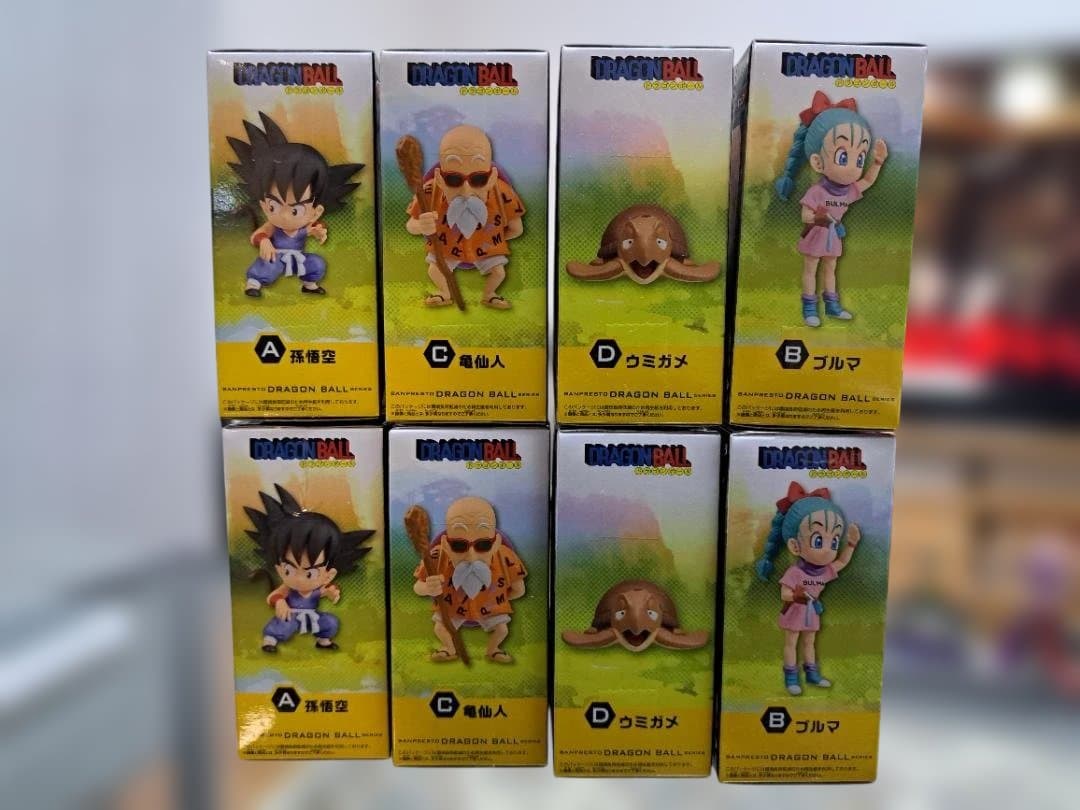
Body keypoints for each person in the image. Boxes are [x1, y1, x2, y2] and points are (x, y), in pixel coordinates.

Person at [775, 92, 888, 326]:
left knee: (830, 269)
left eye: (859, 158)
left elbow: (867, 181)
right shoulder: (817, 191)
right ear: (818, 162)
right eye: (843, 156)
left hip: (833, 237)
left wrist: (877, 162)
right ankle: (809, 308)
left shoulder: (847, 191)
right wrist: (819, 218)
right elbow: (805, 215)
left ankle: (833, 306)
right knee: (810, 269)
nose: (854, 167)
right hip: (816, 236)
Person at [228, 112, 363, 297]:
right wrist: (264, 241)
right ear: (264, 205)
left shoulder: (306, 224)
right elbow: (257, 236)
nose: (284, 216)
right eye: (274, 206)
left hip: (297, 259)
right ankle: (253, 283)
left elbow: (316, 227)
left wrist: (319, 230)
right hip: (275, 256)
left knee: (316, 263)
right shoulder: (273, 226)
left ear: (316, 212)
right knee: (268, 265)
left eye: (295, 210)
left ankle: (309, 284)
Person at [755, 482, 862, 695]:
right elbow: (785, 593)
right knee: (791, 642)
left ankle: (812, 674)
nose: (828, 550)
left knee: (810, 642)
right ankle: (791, 677)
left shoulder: (823, 571)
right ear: (795, 546)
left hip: (812, 612)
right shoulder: (795, 572)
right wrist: (796, 596)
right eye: (819, 540)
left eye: (834, 542)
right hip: (795, 612)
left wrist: (851, 544)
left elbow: (841, 563)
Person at [405, 125, 525, 309]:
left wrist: (495, 239)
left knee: (499, 273)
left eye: (478, 179)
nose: (466, 191)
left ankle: (489, 294)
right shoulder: (430, 190)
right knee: (434, 270)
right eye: (454, 180)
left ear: (492, 176)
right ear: (440, 176)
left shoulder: (502, 192)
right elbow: (410, 225)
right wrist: (421, 226)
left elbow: (517, 228)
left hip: (486, 246)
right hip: (446, 246)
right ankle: (445, 292)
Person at [245, 484, 375, 652]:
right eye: (289, 570)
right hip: (290, 615)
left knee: (330, 622)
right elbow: (273, 597)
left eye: (310, 573)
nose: (299, 579)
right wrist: (280, 603)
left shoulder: (317, 588)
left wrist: (331, 592)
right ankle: (270, 640)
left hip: (311, 617)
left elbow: (326, 591)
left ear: (329, 575)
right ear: (279, 569)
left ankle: (323, 640)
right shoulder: (288, 588)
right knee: (284, 624)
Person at [412, 496, 526, 663]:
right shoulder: (436, 556)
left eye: (483, 545)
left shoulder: (506, 557)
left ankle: (493, 650)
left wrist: (498, 599)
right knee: (440, 627)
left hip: (490, 607)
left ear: (496, 543)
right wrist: (427, 588)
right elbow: (417, 586)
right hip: (451, 606)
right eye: (459, 546)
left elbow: (519, 589)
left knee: (502, 630)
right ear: (445, 543)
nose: (471, 557)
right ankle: (449, 648)